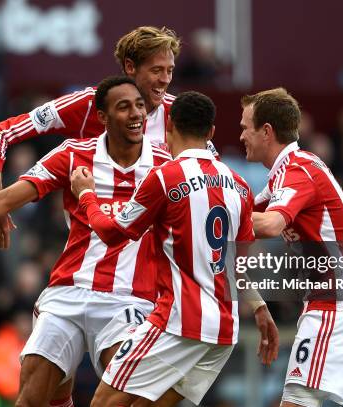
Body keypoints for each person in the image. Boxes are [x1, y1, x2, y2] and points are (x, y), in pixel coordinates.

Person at [0, 76, 173, 407]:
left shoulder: (166, 165)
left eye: (139, 106)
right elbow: (6, 199)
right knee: (32, 396)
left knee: (125, 395)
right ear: (102, 117)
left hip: (129, 300)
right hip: (68, 294)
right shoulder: (74, 155)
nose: (136, 114)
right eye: (124, 107)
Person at [71, 91, 278, 406]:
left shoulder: (164, 178)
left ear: (168, 125)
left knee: (103, 402)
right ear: (210, 132)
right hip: (224, 332)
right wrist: (260, 308)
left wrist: (86, 196)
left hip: (179, 322)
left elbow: (112, 234)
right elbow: (237, 263)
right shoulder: (240, 185)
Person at [0, 26, 217, 249]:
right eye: (156, 70)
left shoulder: (179, 114)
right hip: (93, 247)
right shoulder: (88, 105)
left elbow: (214, 174)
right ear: (130, 67)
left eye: (170, 70)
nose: (166, 79)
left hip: (161, 254)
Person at [239, 88, 343, 407]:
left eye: (245, 127)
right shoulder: (284, 173)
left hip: (337, 304)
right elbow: (242, 220)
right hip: (324, 303)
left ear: (266, 131)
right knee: (298, 400)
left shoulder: (298, 172)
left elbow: (268, 225)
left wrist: (213, 216)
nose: (241, 135)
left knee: (296, 401)